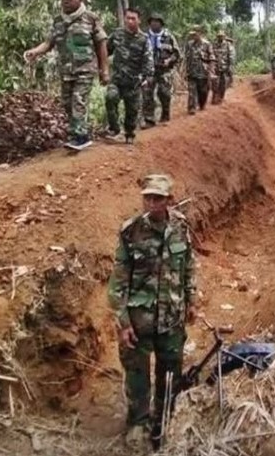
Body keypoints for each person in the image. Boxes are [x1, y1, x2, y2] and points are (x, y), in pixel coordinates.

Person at [108, 174, 198, 449]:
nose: (151, 202)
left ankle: (165, 419)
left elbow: (189, 266)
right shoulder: (131, 231)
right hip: (140, 320)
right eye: (147, 197)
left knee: (170, 372)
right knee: (137, 374)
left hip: (171, 318)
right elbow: (118, 282)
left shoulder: (181, 227)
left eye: (157, 198)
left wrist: (191, 299)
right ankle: (138, 422)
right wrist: (123, 322)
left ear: (169, 200)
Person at [24, 0, 108, 149]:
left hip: (85, 69)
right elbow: (49, 42)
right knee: (66, 103)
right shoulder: (58, 21)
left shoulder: (90, 18)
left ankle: (81, 136)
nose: (65, 1)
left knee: (78, 100)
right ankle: (76, 133)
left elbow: (101, 43)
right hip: (66, 70)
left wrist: (104, 70)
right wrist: (35, 52)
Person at [105, 8, 153, 144]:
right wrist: (101, 67)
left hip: (134, 82)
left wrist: (146, 77)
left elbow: (148, 60)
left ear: (139, 20)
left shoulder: (144, 39)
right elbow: (106, 51)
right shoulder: (117, 34)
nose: (130, 21)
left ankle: (129, 133)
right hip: (117, 79)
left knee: (132, 111)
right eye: (128, 18)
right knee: (110, 98)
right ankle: (114, 129)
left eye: (133, 18)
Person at [144, 13, 179, 125]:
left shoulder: (169, 37)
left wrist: (169, 60)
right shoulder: (144, 37)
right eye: (152, 21)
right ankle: (149, 119)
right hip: (149, 70)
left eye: (157, 21)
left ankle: (165, 114)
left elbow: (177, 54)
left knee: (164, 93)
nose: (154, 23)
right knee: (147, 93)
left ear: (161, 24)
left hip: (164, 70)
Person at [184, 26, 214, 114]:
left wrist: (210, 71)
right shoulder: (189, 44)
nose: (193, 36)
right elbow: (187, 57)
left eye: (195, 34)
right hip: (192, 71)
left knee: (203, 91)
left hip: (203, 72)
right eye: (192, 35)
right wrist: (186, 70)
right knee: (192, 90)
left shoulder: (207, 44)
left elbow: (211, 58)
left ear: (200, 33)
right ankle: (191, 107)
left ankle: (202, 104)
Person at [212, 30, 235, 105]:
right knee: (215, 83)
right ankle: (215, 97)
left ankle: (221, 98)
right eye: (219, 36)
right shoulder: (214, 45)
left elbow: (231, 56)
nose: (220, 37)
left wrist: (230, 66)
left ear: (224, 37)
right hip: (215, 68)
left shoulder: (228, 45)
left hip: (225, 68)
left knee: (223, 84)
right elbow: (211, 55)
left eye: (221, 36)